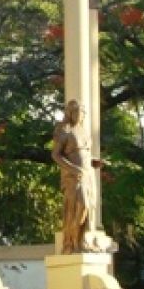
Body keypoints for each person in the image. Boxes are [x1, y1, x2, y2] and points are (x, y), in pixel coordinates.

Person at [51, 99, 100, 254]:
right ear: (70, 114)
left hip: (87, 175)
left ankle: (81, 240)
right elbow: (56, 155)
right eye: (75, 112)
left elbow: (84, 154)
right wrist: (72, 169)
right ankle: (71, 242)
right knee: (78, 208)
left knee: (88, 209)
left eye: (81, 112)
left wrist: (94, 162)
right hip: (73, 177)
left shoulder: (83, 131)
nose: (79, 115)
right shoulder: (65, 130)